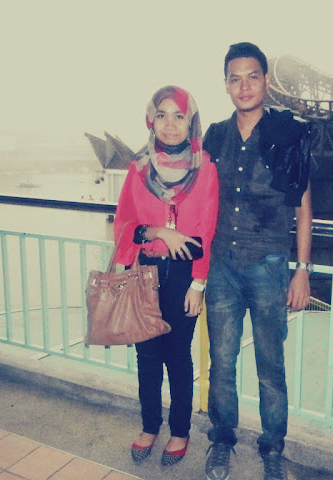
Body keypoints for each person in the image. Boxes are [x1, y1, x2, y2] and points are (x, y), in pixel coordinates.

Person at [203, 42, 313, 480]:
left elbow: (304, 208)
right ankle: (222, 440)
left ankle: (272, 449)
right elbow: (190, 184)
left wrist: (302, 271)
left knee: (270, 367)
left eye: (253, 76)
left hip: (269, 265)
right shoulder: (214, 136)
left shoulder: (289, 135)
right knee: (221, 363)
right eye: (235, 78)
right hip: (221, 267)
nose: (244, 86)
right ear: (226, 85)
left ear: (266, 81)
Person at [113, 85, 218, 466]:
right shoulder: (138, 170)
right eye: (162, 115)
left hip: (185, 276)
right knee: (146, 355)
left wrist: (198, 284)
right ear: (150, 121)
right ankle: (149, 425)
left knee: (177, 356)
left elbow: (207, 231)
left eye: (179, 116)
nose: (170, 124)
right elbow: (124, 224)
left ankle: (180, 430)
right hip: (145, 272)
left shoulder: (206, 169)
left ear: (191, 122)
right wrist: (159, 232)